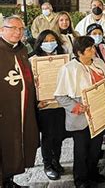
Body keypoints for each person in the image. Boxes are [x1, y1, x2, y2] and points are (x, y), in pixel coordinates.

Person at [55, 36, 105, 188]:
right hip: (80, 117)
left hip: (98, 113)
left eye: (93, 47)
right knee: (81, 150)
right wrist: (76, 106)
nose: (94, 50)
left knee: (95, 148)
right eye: (89, 49)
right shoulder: (68, 69)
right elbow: (60, 96)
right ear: (79, 52)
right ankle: (81, 179)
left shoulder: (99, 63)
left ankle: (93, 173)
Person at [0, 16, 39, 187]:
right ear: (2, 29)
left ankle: (9, 180)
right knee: (4, 146)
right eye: (13, 28)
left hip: (22, 108)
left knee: (17, 145)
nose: (18, 32)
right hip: (4, 111)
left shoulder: (22, 50)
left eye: (21, 29)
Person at [32, 30, 67, 181]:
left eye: (52, 40)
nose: (49, 43)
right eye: (45, 41)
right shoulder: (33, 60)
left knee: (59, 136)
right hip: (44, 105)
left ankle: (56, 161)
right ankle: (48, 165)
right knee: (48, 136)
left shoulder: (63, 59)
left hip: (60, 104)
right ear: (40, 43)